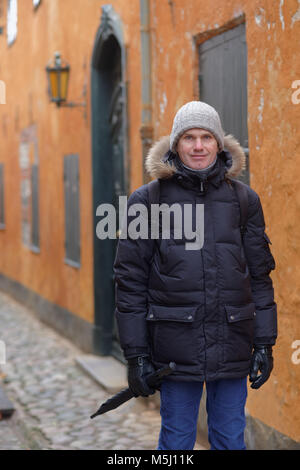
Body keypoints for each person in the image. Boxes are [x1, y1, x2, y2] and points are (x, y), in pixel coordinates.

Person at [113, 101, 277, 450]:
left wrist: (264, 342)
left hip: (232, 340)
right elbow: (130, 282)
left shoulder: (245, 201)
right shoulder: (147, 201)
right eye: (189, 137)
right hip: (175, 346)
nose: (198, 146)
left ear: (219, 144)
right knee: (176, 440)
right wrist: (137, 354)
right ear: (176, 145)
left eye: (206, 137)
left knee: (231, 438)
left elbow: (260, 277)